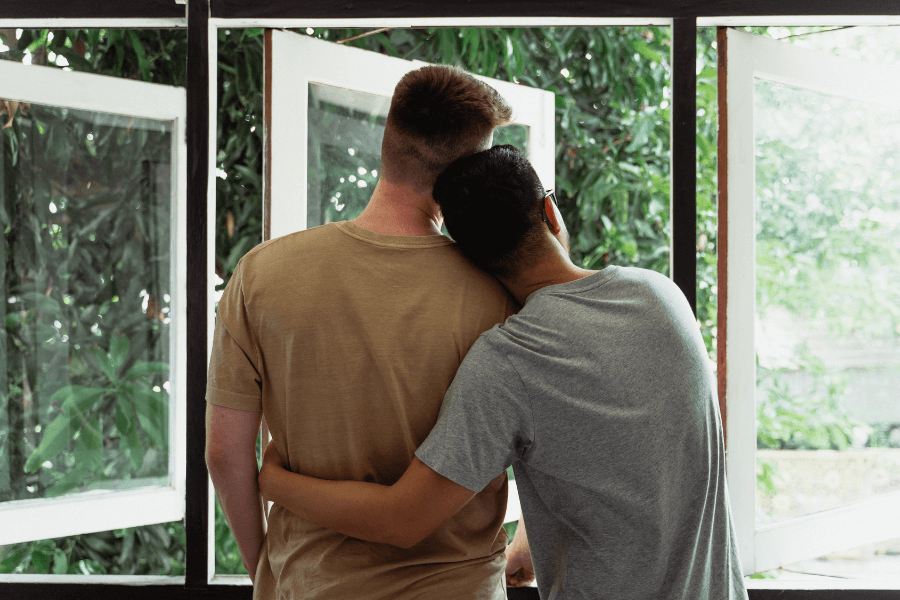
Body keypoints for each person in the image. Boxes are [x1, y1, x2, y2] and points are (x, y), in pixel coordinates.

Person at [257, 145, 749, 600]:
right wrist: (534, 541)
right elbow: (630, 449)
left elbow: (401, 519)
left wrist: (275, 482)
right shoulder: (660, 297)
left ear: (470, 261)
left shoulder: (508, 362)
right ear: (549, 211)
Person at [205, 66, 520, 600]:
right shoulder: (498, 293)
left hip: (309, 584)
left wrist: (270, 568)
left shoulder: (261, 274)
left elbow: (224, 453)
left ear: (388, 142)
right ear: (468, 173)